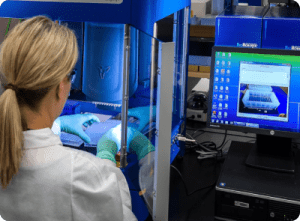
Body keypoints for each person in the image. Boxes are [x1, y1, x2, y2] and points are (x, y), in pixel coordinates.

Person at [0, 15, 145, 221]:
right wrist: (106, 155)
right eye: (72, 74)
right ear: (61, 86)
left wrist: (58, 124)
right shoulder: (89, 174)